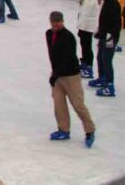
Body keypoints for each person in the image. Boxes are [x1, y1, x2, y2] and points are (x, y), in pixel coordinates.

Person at [45, 11, 96, 147]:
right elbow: (53, 55)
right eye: (53, 22)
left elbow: (67, 58)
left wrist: (56, 74)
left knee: (78, 105)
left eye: (58, 22)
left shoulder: (68, 37)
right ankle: (63, 129)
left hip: (71, 75)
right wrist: (54, 74)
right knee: (59, 104)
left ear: (62, 21)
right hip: (57, 76)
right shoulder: (49, 34)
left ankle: (90, 131)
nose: (55, 24)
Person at [91, 0, 121, 98]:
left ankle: (110, 85)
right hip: (105, 34)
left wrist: (109, 35)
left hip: (110, 36)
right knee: (100, 57)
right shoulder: (107, 1)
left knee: (107, 59)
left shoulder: (113, 3)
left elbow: (114, 22)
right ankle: (102, 78)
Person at [76, 0, 100, 79]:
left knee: (87, 47)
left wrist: (83, 27)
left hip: (87, 27)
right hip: (84, 27)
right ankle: (85, 63)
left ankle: (88, 67)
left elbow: (88, 16)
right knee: (84, 46)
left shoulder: (92, 1)